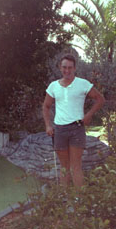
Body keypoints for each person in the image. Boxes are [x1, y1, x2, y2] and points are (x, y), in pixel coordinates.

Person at [42, 54, 105, 187]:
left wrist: (88, 115)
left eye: (70, 68)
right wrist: (48, 125)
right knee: (64, 166)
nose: (67, 70)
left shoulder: (83, 84)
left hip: (77, 128)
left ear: (75, 68)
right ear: (60, 68)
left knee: (76, 166)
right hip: (59, 130)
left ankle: (79, 198)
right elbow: (46, 106)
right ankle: (64, 197)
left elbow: (100, 99)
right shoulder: (53, 86)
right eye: (64, 67)